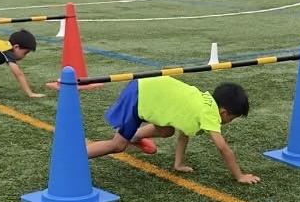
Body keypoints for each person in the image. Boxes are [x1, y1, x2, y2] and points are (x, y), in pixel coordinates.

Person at [87, 77, 260, 184]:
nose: (229, 122)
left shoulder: (204, 103)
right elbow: (223, 148)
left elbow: (184, 135)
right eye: (232, 118)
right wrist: (239, 176)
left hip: (146, 88)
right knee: (118, 145)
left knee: (166, 131)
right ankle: (75, 157)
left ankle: (134, 137)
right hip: (141, 95)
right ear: (223, 112)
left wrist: (178, 164)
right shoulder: (210, 114)